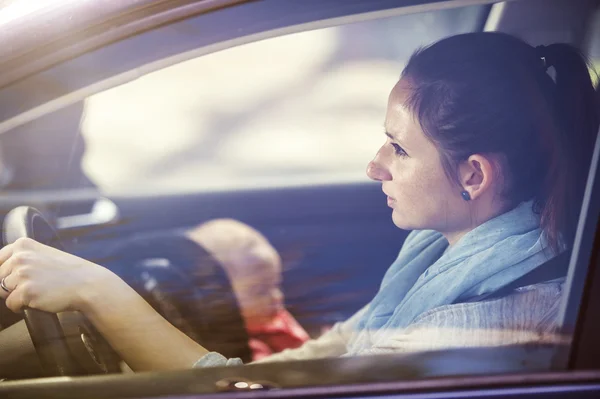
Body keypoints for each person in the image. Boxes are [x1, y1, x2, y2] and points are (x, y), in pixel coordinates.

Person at [0, 32, 598, 372]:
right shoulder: (436, 262)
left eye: (398, 148)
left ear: (473, 175)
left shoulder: (473, 331)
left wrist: (102, 294)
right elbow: (301, 372)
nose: (374, 165)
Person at [186, 219, 310, 361]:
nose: (276, 296)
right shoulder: (229, 346)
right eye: (260, 291)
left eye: (276, 284)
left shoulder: (276, 319)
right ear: (215, 298)